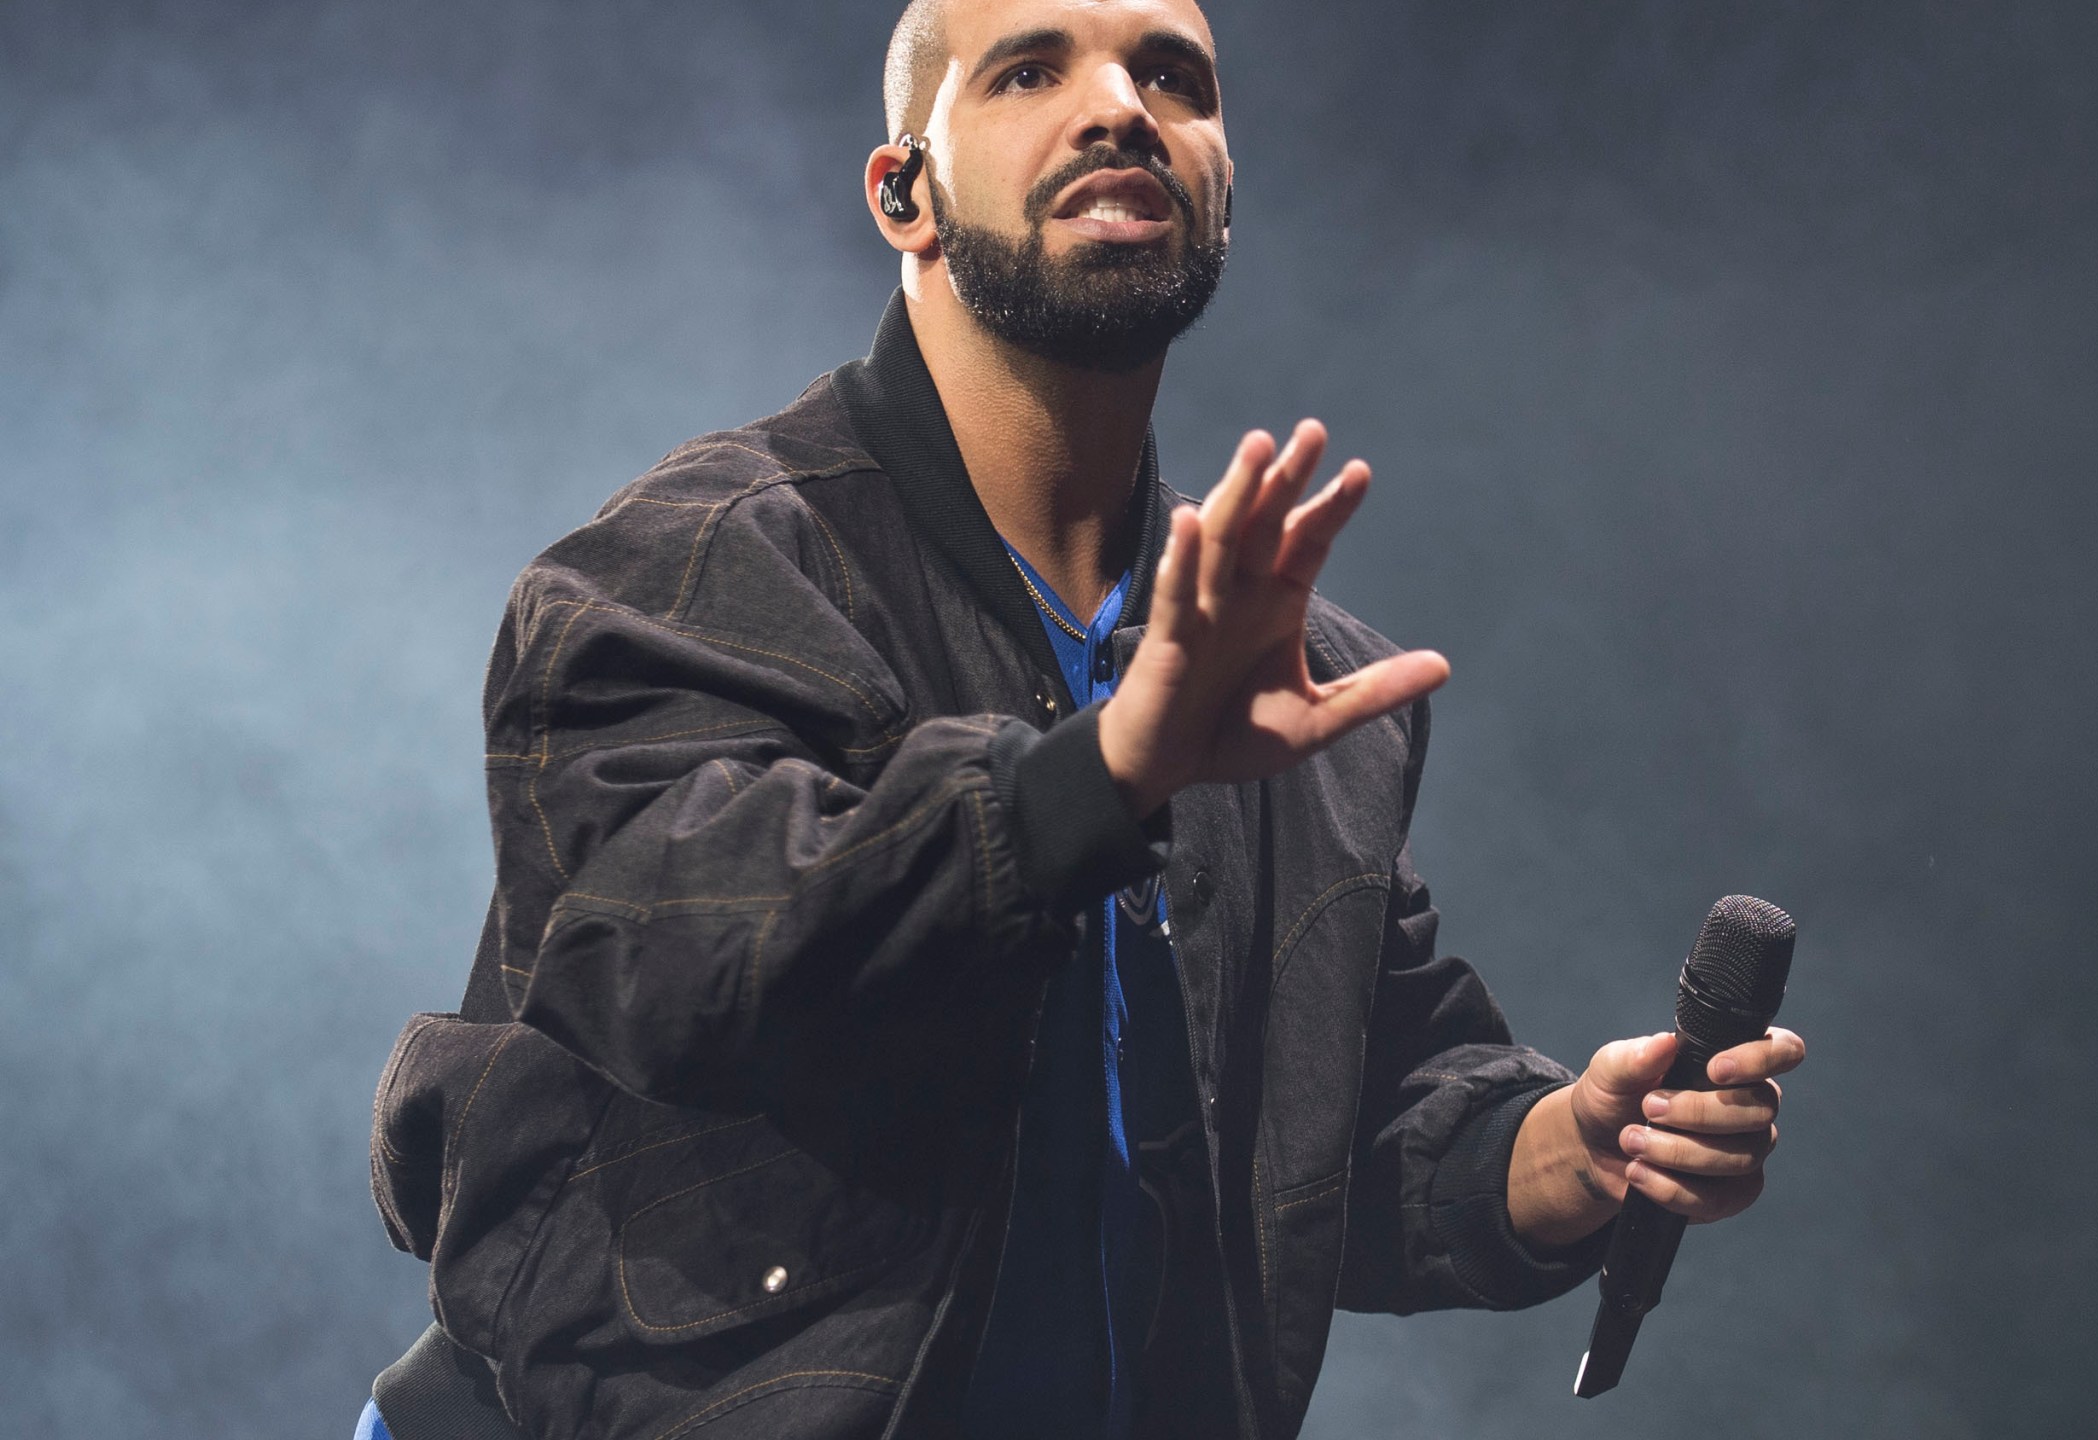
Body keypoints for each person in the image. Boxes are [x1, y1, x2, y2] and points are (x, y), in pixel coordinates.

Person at [358, 0, 1806, 1436]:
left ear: (1222, 181)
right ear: (902, 194)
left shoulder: (1286, 685)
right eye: (1030, 70)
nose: (1118, 106)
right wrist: (1103, 776)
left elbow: (1327, 1132)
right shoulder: (700, 563)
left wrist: (1574, 1151)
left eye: (1172, 75)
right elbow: (671, 949)